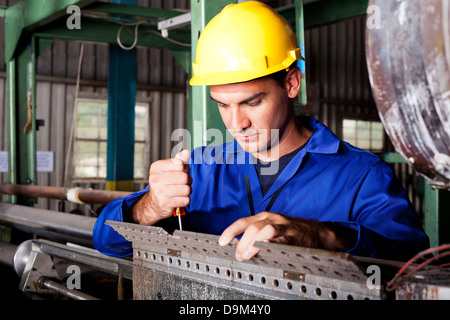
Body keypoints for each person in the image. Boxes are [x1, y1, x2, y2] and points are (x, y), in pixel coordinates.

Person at [93, 1, 429, 261]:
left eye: (252, 102)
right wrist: (150, 207)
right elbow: (106, 242)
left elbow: (409, 262)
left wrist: (323, 236)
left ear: (291, 83)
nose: (236, 123)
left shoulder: (361, 176)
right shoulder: (198, 171)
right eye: (223, 105)